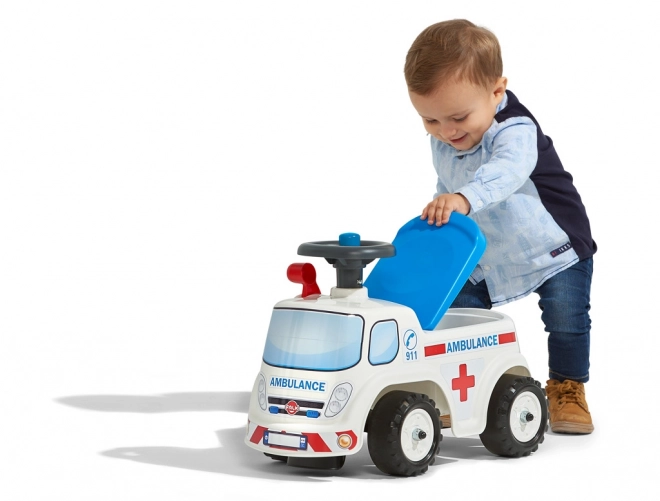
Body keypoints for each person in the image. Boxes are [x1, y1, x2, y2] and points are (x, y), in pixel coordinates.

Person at [404, 19, 597, 434]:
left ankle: (566, 387)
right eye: (430, 121)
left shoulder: (515, 130)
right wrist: (445, 214)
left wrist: (462, 200)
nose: (446, 132)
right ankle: (459, 388)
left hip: (552, 248)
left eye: (456, 117)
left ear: (496, 91)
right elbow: (450, 184)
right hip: (490, 254)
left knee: (566, 319)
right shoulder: (445, 139)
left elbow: (506, 173)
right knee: (455, 314)